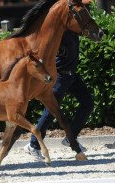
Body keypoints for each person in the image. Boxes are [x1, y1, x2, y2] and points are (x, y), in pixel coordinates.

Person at [24, 30, 94, 159]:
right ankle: (33, 145)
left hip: (72, 75)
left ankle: (70, 137)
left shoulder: (75, 30)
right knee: (51, 110)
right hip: (60, 75)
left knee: (88, 103)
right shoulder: (58, 32)